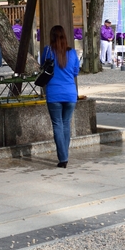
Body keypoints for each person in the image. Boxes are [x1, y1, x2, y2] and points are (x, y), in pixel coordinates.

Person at [42, 25, 80, 168]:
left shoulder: (48, 51)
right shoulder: (73, 53)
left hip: (54, 93)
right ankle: (65, 155)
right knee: (66, 124)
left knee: (57, 125)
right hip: (70, 93)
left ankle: (63, 158)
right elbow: (76, 71)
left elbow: (43, 67)